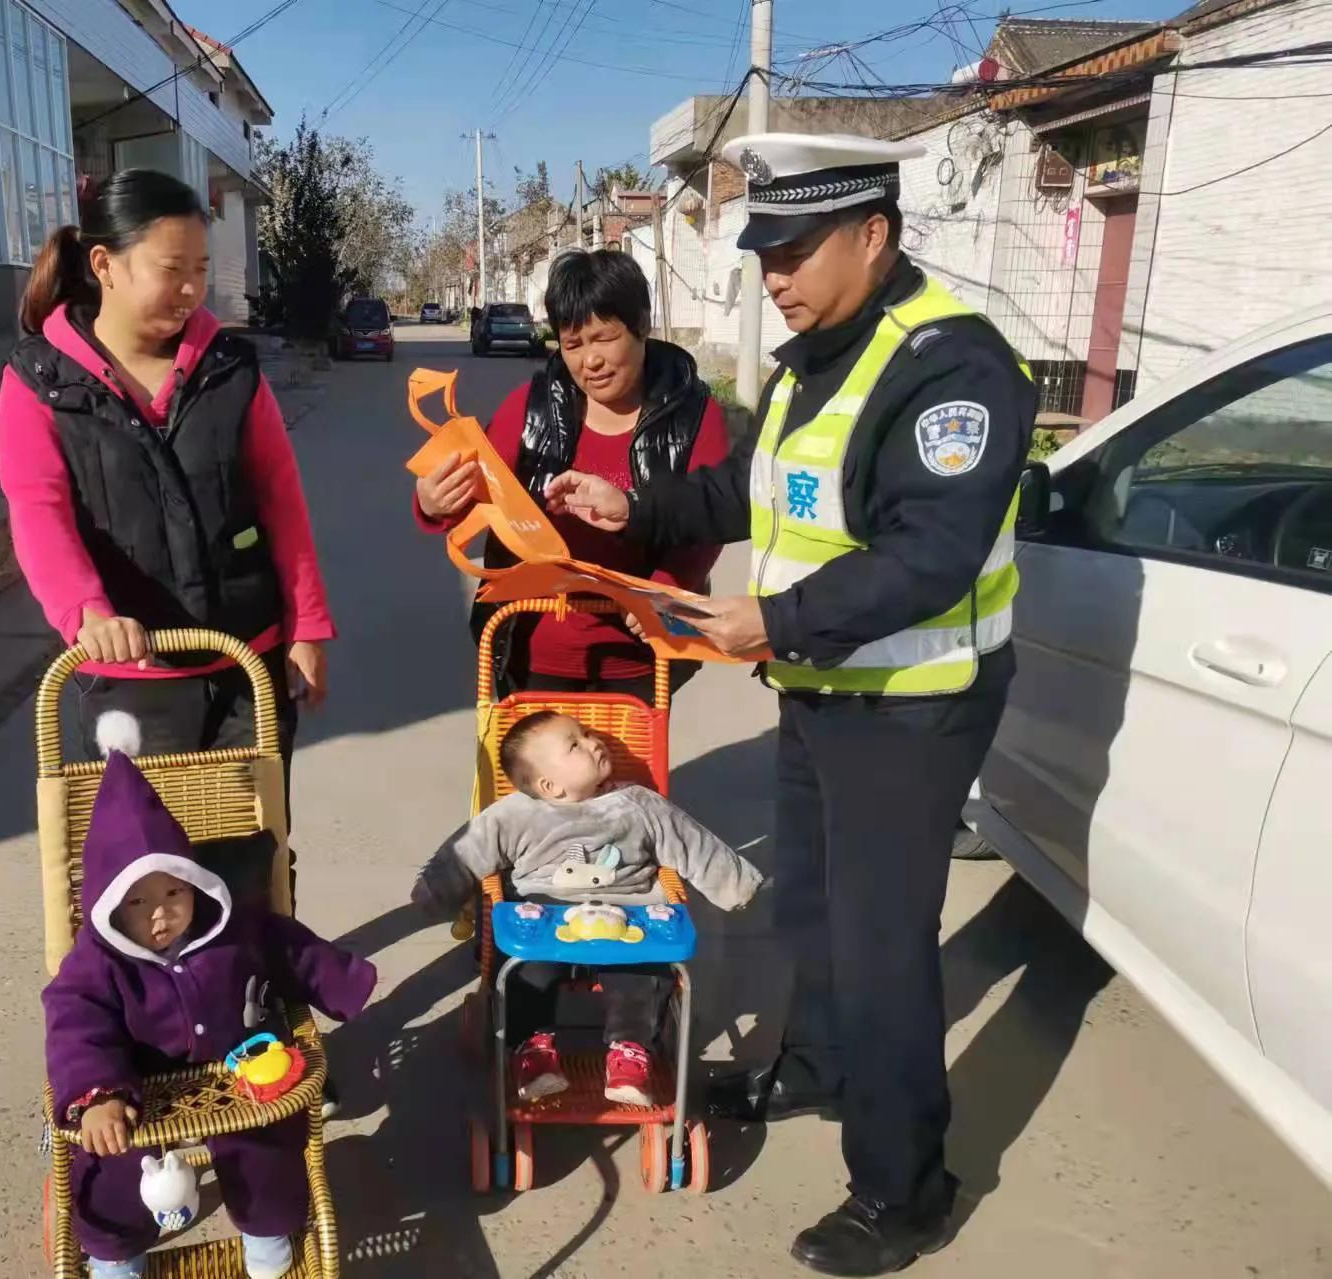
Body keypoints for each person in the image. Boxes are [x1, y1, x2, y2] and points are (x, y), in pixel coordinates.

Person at [546, 133, 1037, 1275]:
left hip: (910, 706)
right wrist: (633, 507)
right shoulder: (817, 351)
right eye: (762, 249)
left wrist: (770, 622)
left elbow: (932, 552)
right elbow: (748, 491)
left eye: (795, 249)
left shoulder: (948, 366)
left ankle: (902, 1188)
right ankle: (816, 1065)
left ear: (874, 235)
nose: (772, 274)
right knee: (807, 907)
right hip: (818, 689)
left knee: (880, 947)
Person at [0, 168, 334, 820]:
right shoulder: (39, 380)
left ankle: (259, 927)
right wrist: (87, 613)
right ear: (106, 265)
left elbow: (280, 499)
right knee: (149, 873)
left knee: (252, 845)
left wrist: (307, 627)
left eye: (201, 269)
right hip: (134, 678)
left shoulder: (229, 368)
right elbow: (38, 511)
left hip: (247, 660)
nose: (190, 289)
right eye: (172, 267)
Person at [45, 750, 376, 1279]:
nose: (161, 912)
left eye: (174, 891)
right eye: (137, 903)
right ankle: (115, 1252)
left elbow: (291, 950)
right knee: (111, 1162)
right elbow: (76, 1026)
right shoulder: (96, 964)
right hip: (137, 1083)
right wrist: (98, 1095)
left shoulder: (234, 928)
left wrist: (344, 982)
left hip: (240, 1066)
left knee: (266, 1139)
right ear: (107, 904)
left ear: (193, 882)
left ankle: (267, 1234)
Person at [414, 250, 729, 699]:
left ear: (641, 324)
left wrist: (665, 590)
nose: (590, 361)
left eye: (604, 338)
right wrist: (433, 502)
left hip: (638, 657)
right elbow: (472, 493)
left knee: (627, 768)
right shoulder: (529, 408)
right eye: (573, 344)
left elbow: (707, 520)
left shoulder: (694, 415)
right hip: (529, 647)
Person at [411, 710, 761, 1106]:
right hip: (545, 920)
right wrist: (435, 889)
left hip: (629, 916)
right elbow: (470, 848)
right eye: (574, 744)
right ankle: (534, 1050)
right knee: (526, 972)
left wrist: (735, 884)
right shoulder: (515, 815)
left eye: (589, 733)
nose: (594, 741)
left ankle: (630, 1053)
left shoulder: (638, 803)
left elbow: (691, 841)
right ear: (549, 785)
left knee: (644, 973)